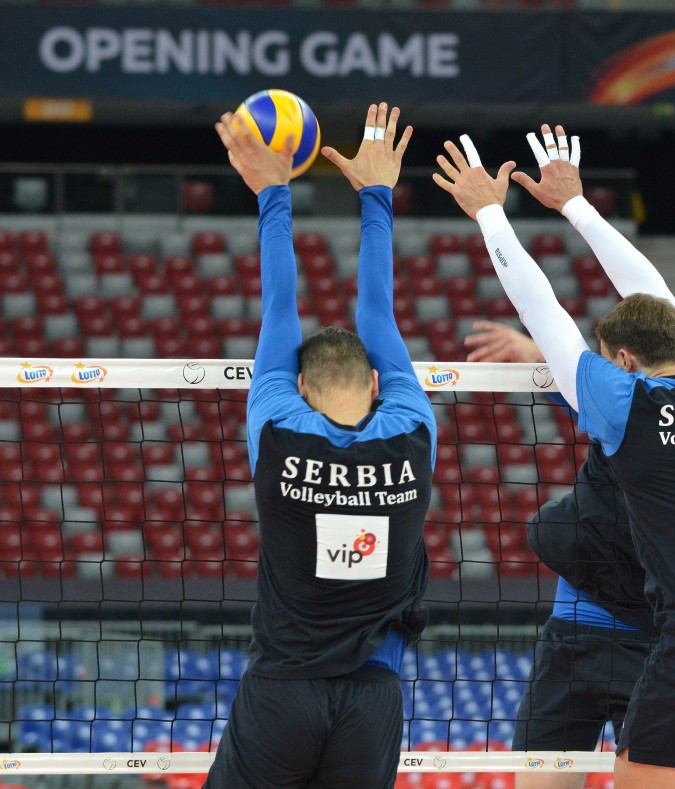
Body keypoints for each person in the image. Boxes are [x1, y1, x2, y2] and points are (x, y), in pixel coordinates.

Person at [435, 128, 675, 789]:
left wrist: (488, 212)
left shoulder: (628, 407)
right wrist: (578, 206)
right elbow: (653, 287)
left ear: (623, 361)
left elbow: (541, 307)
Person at [204, 102, 437, 789]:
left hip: (284, 685)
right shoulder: (411, 431)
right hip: (373, 698)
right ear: (375, 381)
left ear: (300, 384)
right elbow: (379, 315)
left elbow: (280, 307)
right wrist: (377, 195)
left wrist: (273, 192)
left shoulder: (279, 427)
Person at [466, 321, 657, 789]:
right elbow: (573, 379)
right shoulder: (609, 410)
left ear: (625, 360)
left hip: (653, 644)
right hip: (573, 637)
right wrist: (531, 348)